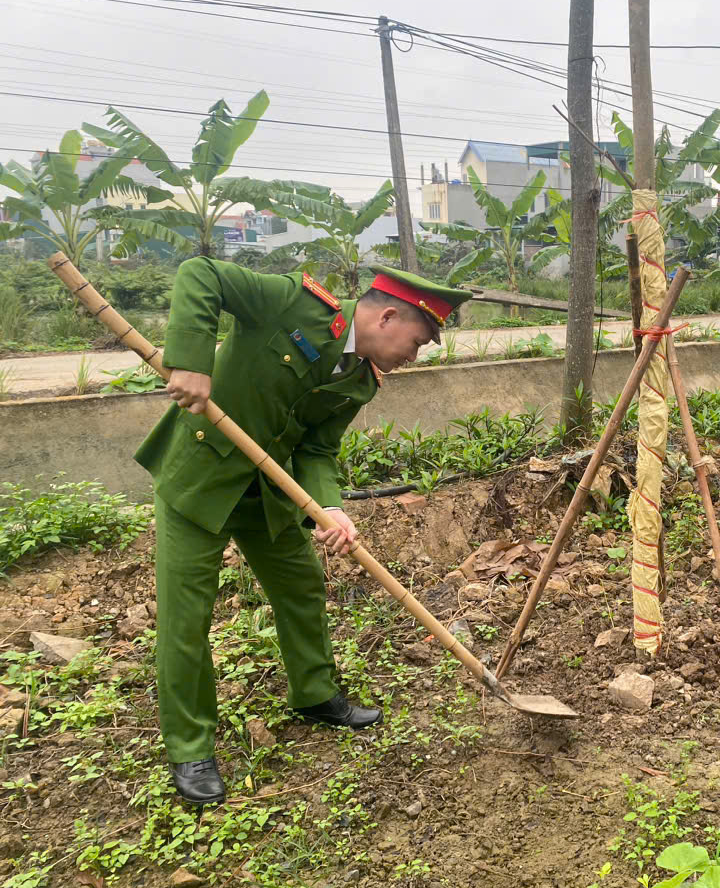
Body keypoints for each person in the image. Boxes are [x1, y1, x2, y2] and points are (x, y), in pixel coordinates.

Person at [136, 258, 471, 804]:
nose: (415, 355)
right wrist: (191, 363)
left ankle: (314, 694)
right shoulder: (293, 303)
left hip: (266, 494)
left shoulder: (360, 380)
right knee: (186, 617)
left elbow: (316, 448)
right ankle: (191, 746)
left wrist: (329, 507)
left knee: (301, 585)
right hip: (197, 482)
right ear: (387, 317)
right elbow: (201, 274)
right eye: (417, 341)